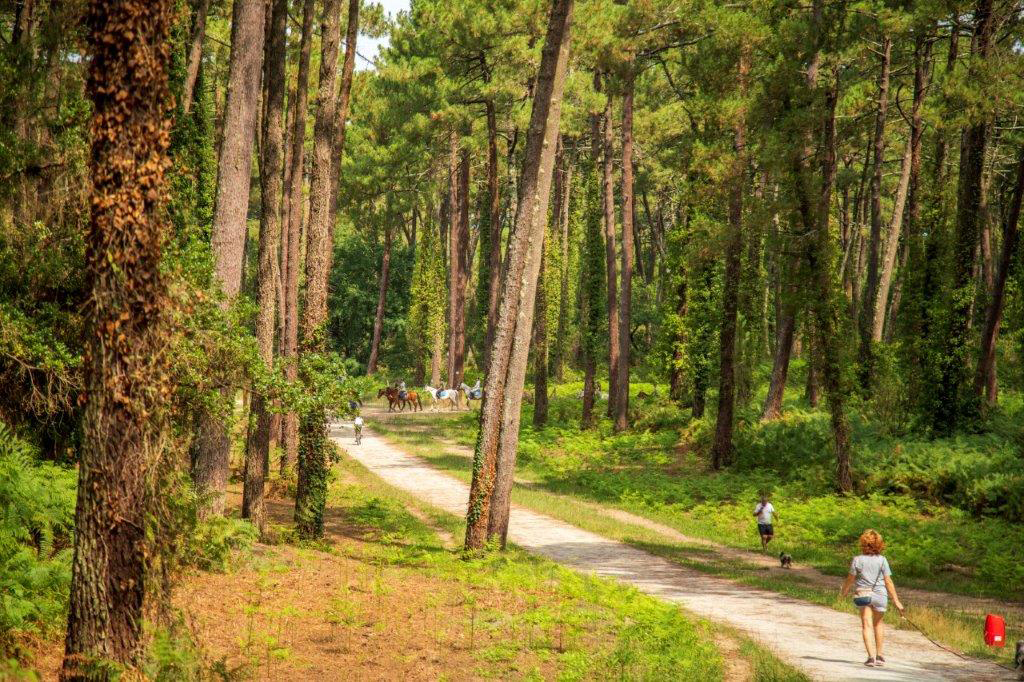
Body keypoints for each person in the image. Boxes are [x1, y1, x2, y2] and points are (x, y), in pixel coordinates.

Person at [839, 529, 905, 667]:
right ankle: (880, 656)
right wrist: (896, 601)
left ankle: (870, 658)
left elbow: (850, 579)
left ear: (863, 543)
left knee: (867, 625)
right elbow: (888, 581)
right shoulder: (882, 560)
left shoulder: (857, 560)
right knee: (878, 624)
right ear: (879, 545)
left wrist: (843, 593)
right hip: (880, 595)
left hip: (863, 595)